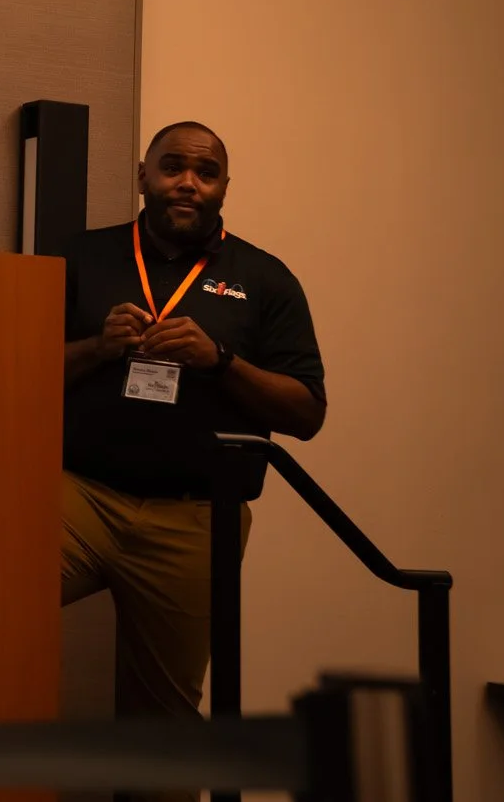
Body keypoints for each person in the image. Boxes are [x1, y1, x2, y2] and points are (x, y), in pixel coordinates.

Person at [60, 121, 327, 802]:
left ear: (224, 188)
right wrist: (96, 348)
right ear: (142, 175)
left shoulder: (265, 279)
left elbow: (307, 412)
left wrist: (222, 360)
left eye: (205, 173)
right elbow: (13, 370)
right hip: (78, 496)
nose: (188, 182)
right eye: (172, 166)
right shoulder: (82, 257)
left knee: (163, 732)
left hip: (196, 519)